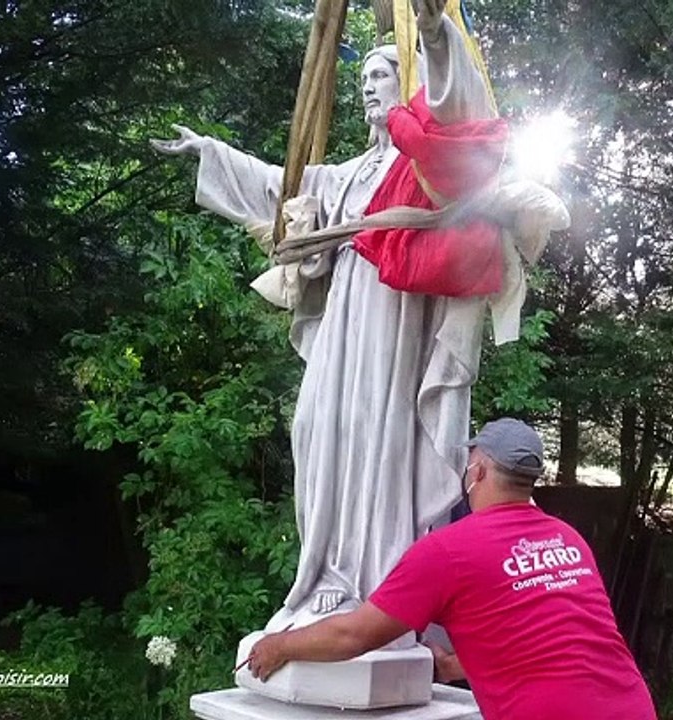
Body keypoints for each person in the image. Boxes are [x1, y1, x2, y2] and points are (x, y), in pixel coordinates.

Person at [150, 0, 503, 633]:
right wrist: (209, 149)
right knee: (316, 429)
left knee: (379, 434)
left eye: (382, 77)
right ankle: (323, 581)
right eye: (363, 79)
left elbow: (461, 112)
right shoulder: (343, 176)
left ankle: (376, 594)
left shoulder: (423, 167)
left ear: (409, 86)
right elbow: (278, 186)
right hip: (343, 321)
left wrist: (432, 30)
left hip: (394, 324)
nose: (368, 87)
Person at [247, 418, 659, 720]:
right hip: (631, 706)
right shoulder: (566, 539)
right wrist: (449, 666)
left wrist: (277, 646)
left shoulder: (448, 550)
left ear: (476, 472)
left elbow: (353, 634)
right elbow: (552, 641)